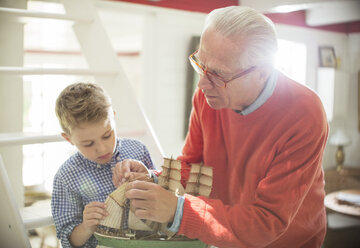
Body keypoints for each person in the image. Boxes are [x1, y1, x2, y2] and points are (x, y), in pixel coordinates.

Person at [114, 6, 328, 248]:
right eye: (200, 64)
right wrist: (153, 179)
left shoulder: (304, 112)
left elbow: (267, 222)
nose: (203, 83)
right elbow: (193, 165)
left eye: (218, 74)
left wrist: (178, 211)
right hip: (224, 235)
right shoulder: (207, 96)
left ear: (262, 72)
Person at [51, 82, 155, 248]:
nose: (102, 148)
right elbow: (68, 239)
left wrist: (147, 177)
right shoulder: (66, 177)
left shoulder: (138, 151)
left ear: (113, 118)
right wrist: (86, 226)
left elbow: (162, 194)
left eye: (107, 135)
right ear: (69, 139)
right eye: (88, 143)